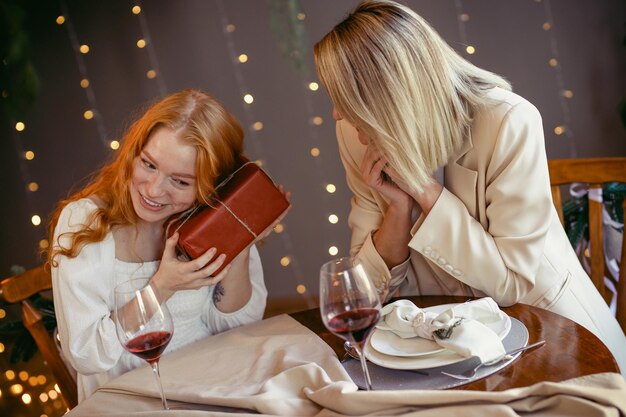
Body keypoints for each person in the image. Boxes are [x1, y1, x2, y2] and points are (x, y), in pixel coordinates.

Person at [314, 0, 626, 374]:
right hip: (435, 349)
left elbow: (511, 283)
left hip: (551, 331)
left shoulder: (509, 121)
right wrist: (398, 211)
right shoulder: (354, 133)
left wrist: (425, 192)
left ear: (390, 94)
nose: (336, 112)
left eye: (345, 97)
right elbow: (365, 292)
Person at [48, 89, 276, 401]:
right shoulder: (85, 222)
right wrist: (162, 287)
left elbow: (237, 325)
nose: (154, 190)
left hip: (213, 386)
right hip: (130, 401)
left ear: (209, 186)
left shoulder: (210, 212)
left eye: (180, 181)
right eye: (149, 164)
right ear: (133, 152)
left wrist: (241, 238)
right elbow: (85, 354)